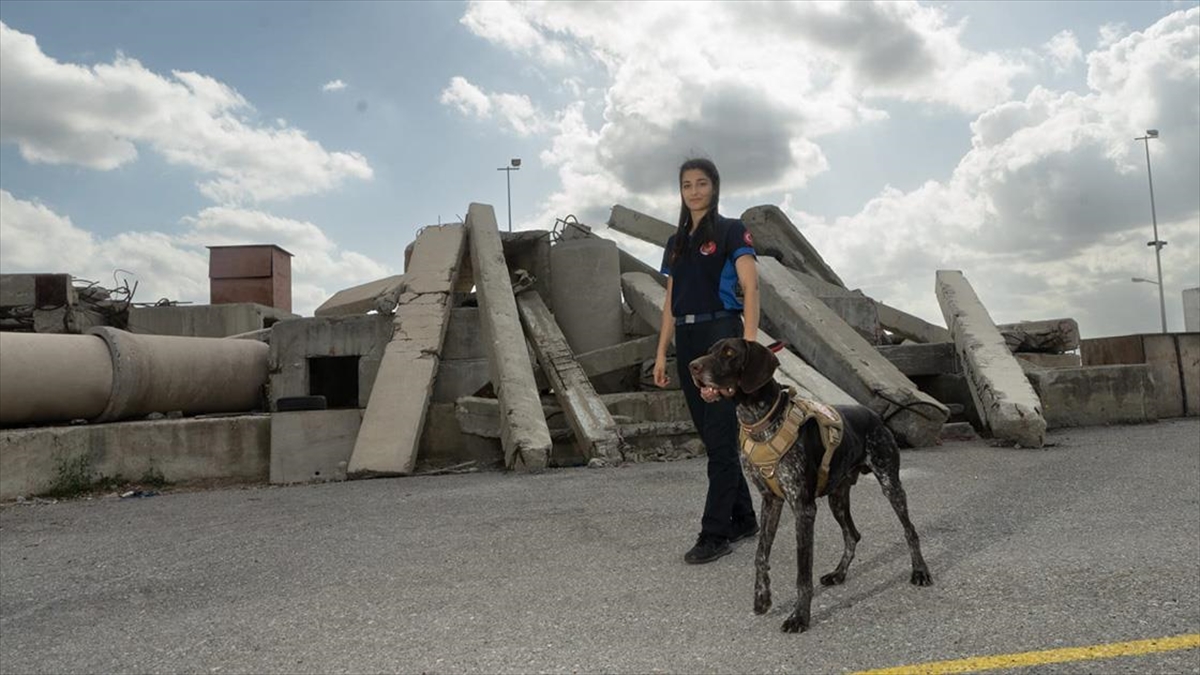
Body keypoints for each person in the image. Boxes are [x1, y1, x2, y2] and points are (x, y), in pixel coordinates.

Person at [653, 157, 760, 565]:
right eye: (686, 185)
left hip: (721, 336)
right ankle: (745, 518)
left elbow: (750, 286)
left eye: (701, 183)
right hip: (687, 336)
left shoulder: (732, 230)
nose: (694, 191)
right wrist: (662, 352)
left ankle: (714, 533)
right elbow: (668, 302)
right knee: (713, 436)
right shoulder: (675, 241)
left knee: (719, 439)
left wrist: (747, 346)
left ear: (714, 187)